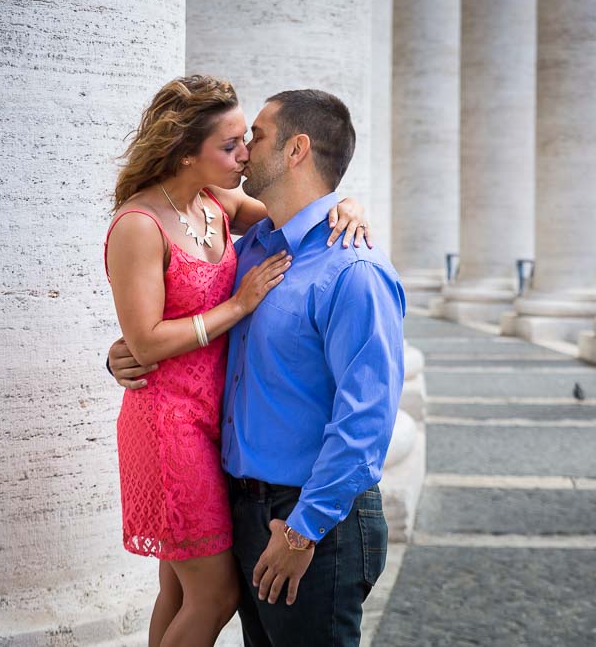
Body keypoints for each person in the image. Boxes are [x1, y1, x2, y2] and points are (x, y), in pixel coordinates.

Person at [111, 88, 405, 646]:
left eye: (256, 136)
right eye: (233, 141)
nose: (245, 149)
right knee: (191, 601)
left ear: (296, 150)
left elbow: (365, 421)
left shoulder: (353, 272)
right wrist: (125, 349)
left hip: (312, 520)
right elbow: (176, 317)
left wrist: (302, 531)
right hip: (236, 493)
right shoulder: (254, 247)